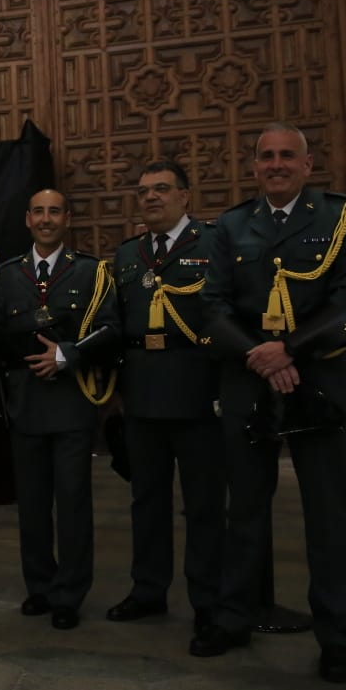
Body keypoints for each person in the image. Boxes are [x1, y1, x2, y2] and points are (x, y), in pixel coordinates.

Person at [191, 122, 346, 683]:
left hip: (319, 383)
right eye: (265, 157)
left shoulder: (344, 218)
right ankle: (234, 617)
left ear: (307, 163)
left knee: (328, 519)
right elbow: (213, 305)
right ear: (254, 167)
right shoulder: (230, 226)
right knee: (244, 512)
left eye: (285, 156)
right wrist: (259, 356)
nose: (275, 164)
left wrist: (287, 351)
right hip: (251, 383)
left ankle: (338, 638)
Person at [0, 189, 119, 630]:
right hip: (26, 403)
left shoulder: (92, 271)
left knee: (73, 503)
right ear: (27, 219)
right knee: (34, 505)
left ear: (67, 218)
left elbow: (110, 329)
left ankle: (69, 594)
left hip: (72, 401)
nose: (46, 219)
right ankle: (39, 588)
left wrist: (66, 354)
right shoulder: (8, 275)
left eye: (54, 211)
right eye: (38, 211)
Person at [105, 161, 224, 638]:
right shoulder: (127, 255)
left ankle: (208, 601)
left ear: (185, 197)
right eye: (143, 191)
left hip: (197, 392)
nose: (151, 198)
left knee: (203, 505)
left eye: (161, 189)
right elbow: (116, 325)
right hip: (143, 393)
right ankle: (148, 589)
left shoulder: (213, 245)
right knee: (146, 500)